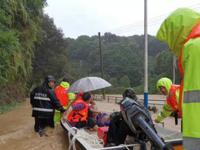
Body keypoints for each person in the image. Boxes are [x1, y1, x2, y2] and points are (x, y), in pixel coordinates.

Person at [156, 8, 200, 149]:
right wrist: (157, 120)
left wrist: (193, 146)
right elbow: (167, 109)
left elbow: (195, 103)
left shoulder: (194, 47)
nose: (170, 47)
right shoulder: (171, 95)